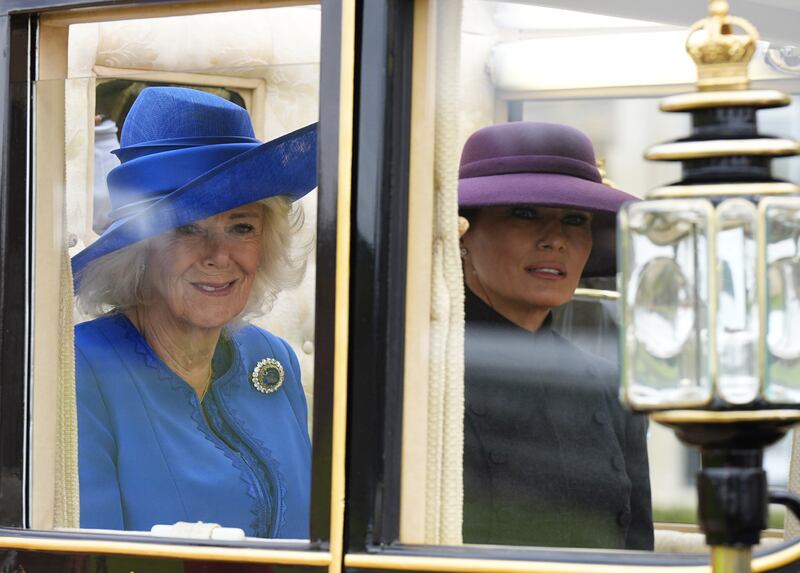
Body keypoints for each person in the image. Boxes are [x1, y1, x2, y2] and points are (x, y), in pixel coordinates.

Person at [73, 87, 317, 538]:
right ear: (138, 250)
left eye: (241, 227)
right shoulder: (79, 372)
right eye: (187, 228)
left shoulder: (272, 358)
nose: (219, 256)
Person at [458, 122, 653, 550]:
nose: (556, 240)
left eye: (575, 220)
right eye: (525, 213)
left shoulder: (609, 386)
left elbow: (638, 550)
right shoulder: (423, 375)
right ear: (464, 233)